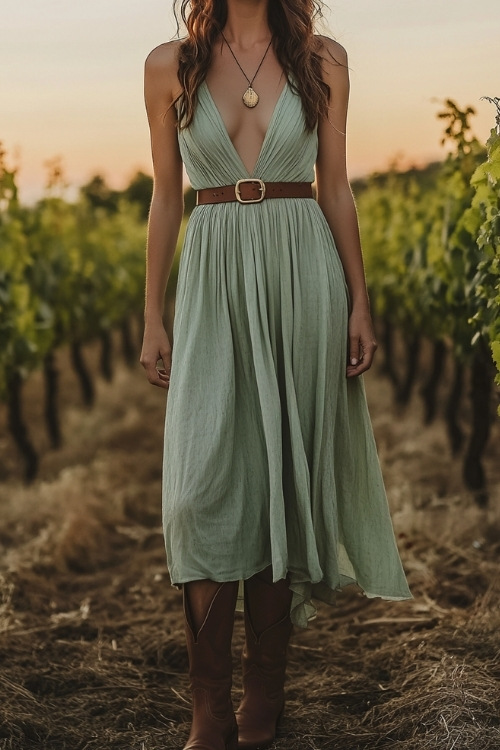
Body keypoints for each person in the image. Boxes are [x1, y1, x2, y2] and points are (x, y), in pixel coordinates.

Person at [140, 0, 412, 747]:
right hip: (215, 272)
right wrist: (152, 313)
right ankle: (209, 709)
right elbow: (167, 195)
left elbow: (336, 186)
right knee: (200, 492)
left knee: (279, 489)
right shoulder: (169, 65)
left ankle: (262, 703)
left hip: (303, 272)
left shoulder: (323, 59)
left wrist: (359, 300)